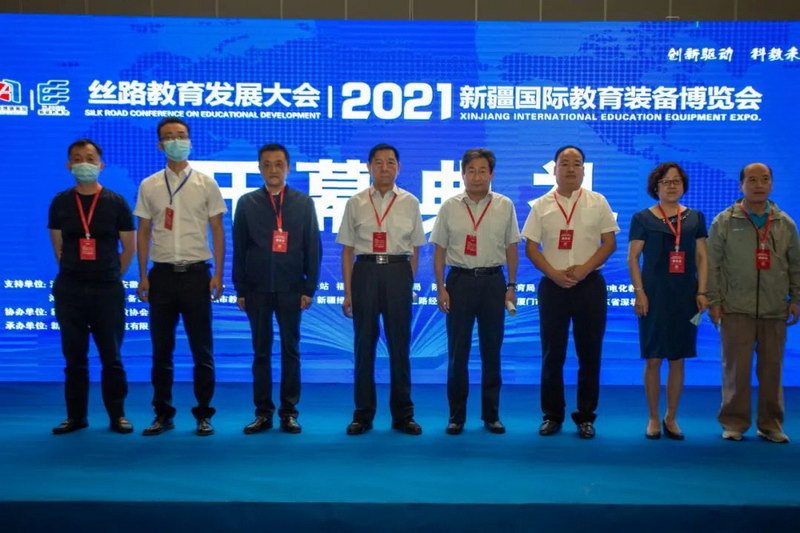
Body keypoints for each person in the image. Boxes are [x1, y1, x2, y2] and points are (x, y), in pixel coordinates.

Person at [134, 117, 227, 437]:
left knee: (203, 350)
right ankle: (163, 413)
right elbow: (143, 231)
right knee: (161, 351)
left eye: (181, 135)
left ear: (190, 141)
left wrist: (219, 273)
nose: (176, 141)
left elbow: (217, 229)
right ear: (160, 145)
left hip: (197, 275)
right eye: (169, 137)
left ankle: (204, 414)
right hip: (161, 276)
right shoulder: (149, 185)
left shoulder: (206, 183)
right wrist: (142, 275)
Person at [521, 145, 618, 439]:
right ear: (554, 170)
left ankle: (586, 416)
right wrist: (553, 274)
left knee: (590, 353)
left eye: (577, 163)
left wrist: (585, 269)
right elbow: (530, 247)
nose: (571, 168)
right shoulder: (541, 205)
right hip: (553, 286)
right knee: (553, 354)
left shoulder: (597, 201)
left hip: (589, 284)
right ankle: (552, 415)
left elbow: (609, 243)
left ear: (584, 170)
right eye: (565, 163)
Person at [337, 143, 426, 435]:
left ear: (398, 168)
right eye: (378, 162)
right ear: (369, 167)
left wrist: (408, 281)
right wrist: (348, 291)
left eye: (390, 162)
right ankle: (362, 415)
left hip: (398, 270)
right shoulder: (356, 202)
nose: (384, 167)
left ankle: (403, 415)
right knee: (364, 346)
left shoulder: (410, 202)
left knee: (400, 347)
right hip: (365, 271)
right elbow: (347, 250)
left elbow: (416, 247)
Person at [233, 143, 322, 435]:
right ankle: (262, 412)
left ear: (288, 168)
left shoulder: (303, 203)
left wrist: (309, 288)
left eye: (279, 164)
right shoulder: (246, 203)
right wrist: (240, 289)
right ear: (260, 168)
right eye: (267, 164)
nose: (273, 170)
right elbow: (239, 248)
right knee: (261, 351)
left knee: (290, 350)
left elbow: (313, 248)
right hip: (256, 289)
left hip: (291, 288)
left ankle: (289, 412)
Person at [708, 162, 800, 443]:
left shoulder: (785, 223)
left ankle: (771, 424)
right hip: (735, 307)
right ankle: (734, 423)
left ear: (771, 184)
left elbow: (795, 265)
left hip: (774, 308)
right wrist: (714, 300)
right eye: (752, 180)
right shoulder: (725, 221)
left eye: (764, 179)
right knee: (735, 369)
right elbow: (712, 265)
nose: (759, 185)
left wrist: (795, 298)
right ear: (741, 185)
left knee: (772, 370)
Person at [48, 139, 135, 435]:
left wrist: (110, 274)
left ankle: (117, 415)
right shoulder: (60, 202)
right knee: (74, 358)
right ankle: (76, 417)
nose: (83, 162)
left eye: (89, 157)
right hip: (70, 289)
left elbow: (129, 248)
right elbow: (58, 247)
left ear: (101, 164)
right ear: (68, 165)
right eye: (77, 158)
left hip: (107, 290)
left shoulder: (116, 202)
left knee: (112, 357)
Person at [430, 148, 519, 435]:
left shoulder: (505, 205)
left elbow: (512, 247)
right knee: (458, 353)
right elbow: (439, 250)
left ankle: (491, 415)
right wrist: (441, 287)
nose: (477, 176)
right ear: (463, 174)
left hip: (493, 282)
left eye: (482, 171)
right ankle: (456, 416)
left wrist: (511, 286)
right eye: (471, 171)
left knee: (492, 352)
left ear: (492, 174)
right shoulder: (450, 206)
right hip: (460, 282)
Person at [627, 163, 708, 440]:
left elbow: (702, 257)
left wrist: (702, 291)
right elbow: (632, 258)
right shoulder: (643, 218)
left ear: (683, 186)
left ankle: (671, 417)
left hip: (685, 295)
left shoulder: (695, 218)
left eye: (676, 181)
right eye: (665, 181)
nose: (671, 186)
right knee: (653, 358)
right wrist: (639, 292)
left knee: (678, 358)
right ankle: (652, 417)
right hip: (653, 295)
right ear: (655, 187)